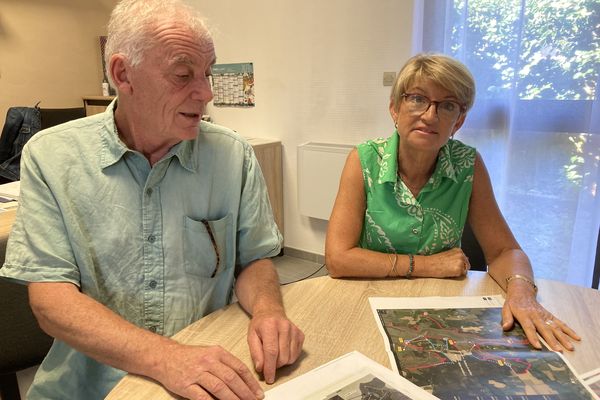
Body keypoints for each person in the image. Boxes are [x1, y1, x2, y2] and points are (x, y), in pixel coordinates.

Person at [0, 1, 304, 399]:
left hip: (201, 372)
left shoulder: (231, 156)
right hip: (89, 387)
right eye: (183, 75)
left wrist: (268, 310)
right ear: (123, 74)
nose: (206, 93)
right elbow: (50, 301)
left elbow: (254, 260)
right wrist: (167, 359)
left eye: (208, 73)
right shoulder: (52, 157)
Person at [325, 53, 580, 353]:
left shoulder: (468, 165)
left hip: (440, 309)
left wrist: (522, 292)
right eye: (417, 99)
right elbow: (338, 259)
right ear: (395, 108)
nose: (430, 115)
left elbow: (504, 251)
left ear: (458, 121)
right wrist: (427, 265)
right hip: (369, 298)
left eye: (447, 105)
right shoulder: (363, 160)